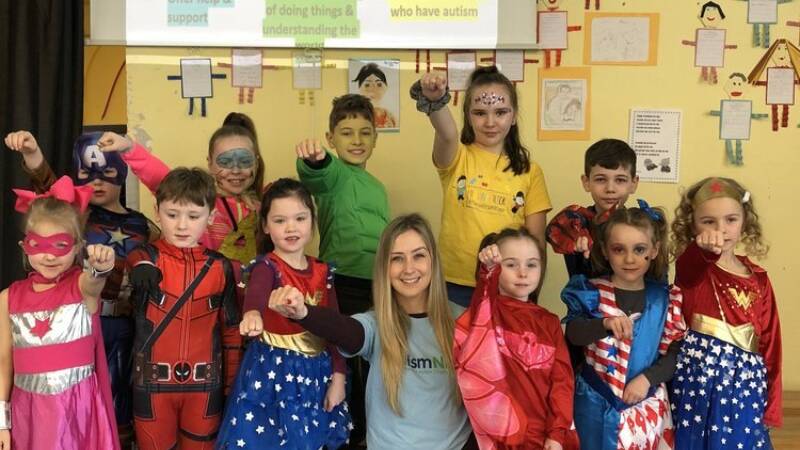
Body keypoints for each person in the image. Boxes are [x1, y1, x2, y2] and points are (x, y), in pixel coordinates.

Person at [5, 129, 157, 448]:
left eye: (109, 172)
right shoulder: (75, 214)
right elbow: (45, 191)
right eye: (89, 174)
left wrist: (132, 150)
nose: (98, 182)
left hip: (124, 324)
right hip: (75, 313)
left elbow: (173, 200)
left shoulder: (142, 224)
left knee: (119, 402)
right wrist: (32, 154)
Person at [270, 214, 475, 450]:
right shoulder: (375, 323)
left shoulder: (464, 321)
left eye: (419, 256)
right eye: (397, 259)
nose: (409, 268)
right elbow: (347, 330)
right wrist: (304, 313)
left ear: (433, 262)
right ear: (384, 268)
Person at [216, 178, 351, 449]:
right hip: (273, 374)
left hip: (316, 374)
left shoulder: (324, 272)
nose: (291, 227)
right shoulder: (267, 267)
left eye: (300, 218)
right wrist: (253, 313)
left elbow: (334, 328)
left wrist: (339, 376)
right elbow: (257, 293)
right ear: (265, 226)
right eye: (280, 220)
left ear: (312, 221)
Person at [411, 65, 552, 306]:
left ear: (514, 115)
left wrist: (532, 294)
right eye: (479, 112)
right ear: (467, 114)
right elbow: (446, 134)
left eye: (500, 112)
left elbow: (536, 240)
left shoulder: (530, 171)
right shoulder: (457, 157)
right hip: (454, 286)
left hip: (507, 286)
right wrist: (435, 100)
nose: (490, 122)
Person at [295, 93, 390, 447]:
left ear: (375, 139)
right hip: (342, 281)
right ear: (332, 138)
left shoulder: (379, 189)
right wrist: (315, 160)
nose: (357, 141)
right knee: (343, 362)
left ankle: (367, 433)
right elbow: (316, 176)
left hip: (378, 286)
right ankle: (341, 433)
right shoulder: (334, 172)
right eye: (347, 133)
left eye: (365, 133)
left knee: (375, 364)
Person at [0, 176, 120, 449]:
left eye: (60, 245)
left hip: (77, 413)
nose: (49, 256)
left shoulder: (80, 288)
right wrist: (1, 423)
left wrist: (101, 265)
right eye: (38, 245)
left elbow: (95, 281)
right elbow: (3, 363)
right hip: (27, 413)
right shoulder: (8, 298)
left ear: (77, 247)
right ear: (23, 246)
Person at [126, 168, 242, 450]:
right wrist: (140, 268)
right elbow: (137, 259)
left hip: (205, 389)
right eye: (172, 214)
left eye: (193, 216)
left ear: (211, 217)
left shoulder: (221, 268)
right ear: (156, 211)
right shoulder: (146, 258)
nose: (181, 225)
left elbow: (231, 334)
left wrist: (231, 389)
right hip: (152, 388)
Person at [669, 177, 781, 449]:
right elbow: (688, 266)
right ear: (692, 224)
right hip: (699, 390)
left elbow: (770, 344)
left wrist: (772, 408)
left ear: (745, 221)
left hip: (745, 391)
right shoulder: (694, 269)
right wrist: (702, 249)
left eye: (731, 219)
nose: (721, 230)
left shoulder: (759, 279)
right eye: (708, 222)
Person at [562, 203, 685, 450]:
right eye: (619, 249)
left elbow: (675, 353)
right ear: (606, 251)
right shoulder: (590, 291)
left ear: (654, 250)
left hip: (645, 407)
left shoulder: (665, 299)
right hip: (594, 404)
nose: (630, 259)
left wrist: (647, 379)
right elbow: (573, 334)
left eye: (639, 249)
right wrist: (603, 324)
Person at [454, 228, 577, 450]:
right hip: (498, 438)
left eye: (532, 264)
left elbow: (562, 382)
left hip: (543, 438)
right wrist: (487, 270)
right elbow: (483, 297)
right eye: (511, 264)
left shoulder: (549, 322)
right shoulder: (488, 312)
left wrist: (557, 434)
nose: (523, 273)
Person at [97, 112, 266, 264]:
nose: (235, 170)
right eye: (225, 162)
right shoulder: (196, 196)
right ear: (210, 162)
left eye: (244, 161)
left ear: (256, 162)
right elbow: (159, 176)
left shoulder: (263, 206)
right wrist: (129, 148)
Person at [546, 138, 639, 279]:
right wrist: (575, 241)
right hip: (586, 299)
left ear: (633, 183)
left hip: (633, 300)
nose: (610, 189)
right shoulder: (575, 223)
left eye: (620, 180)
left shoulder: (642, 226)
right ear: (586, 182)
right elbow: (555, 231)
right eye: (601, 179)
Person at [352, 63, 397, 129]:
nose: (373, 90)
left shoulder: (392, 118)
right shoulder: (355, 117)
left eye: (379, 84)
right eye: (367, 85)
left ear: (386, 87)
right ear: (359, 88)